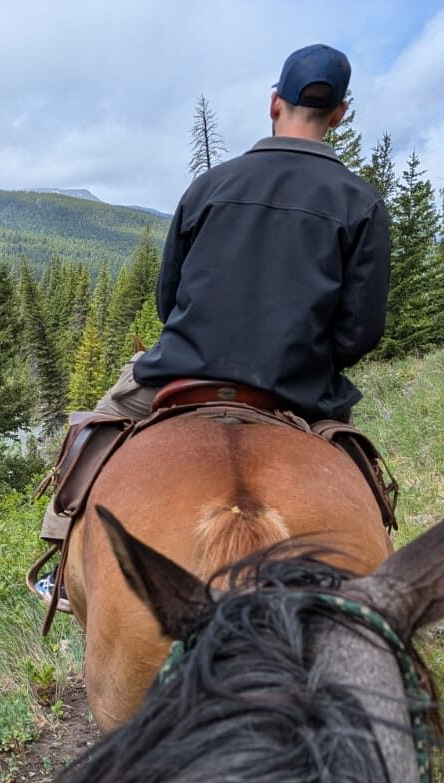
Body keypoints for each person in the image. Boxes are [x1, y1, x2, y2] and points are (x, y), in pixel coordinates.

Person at [34, 43, 391, 606]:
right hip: (297, 386)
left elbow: (168, 298)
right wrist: (305, 353)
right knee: (359, 474)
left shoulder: (210, 185)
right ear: (340, 113)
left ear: (275, 103)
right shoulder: (361, 203)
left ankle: (59, 567)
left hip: (184, 367)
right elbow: (361, 331)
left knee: (92, 429)